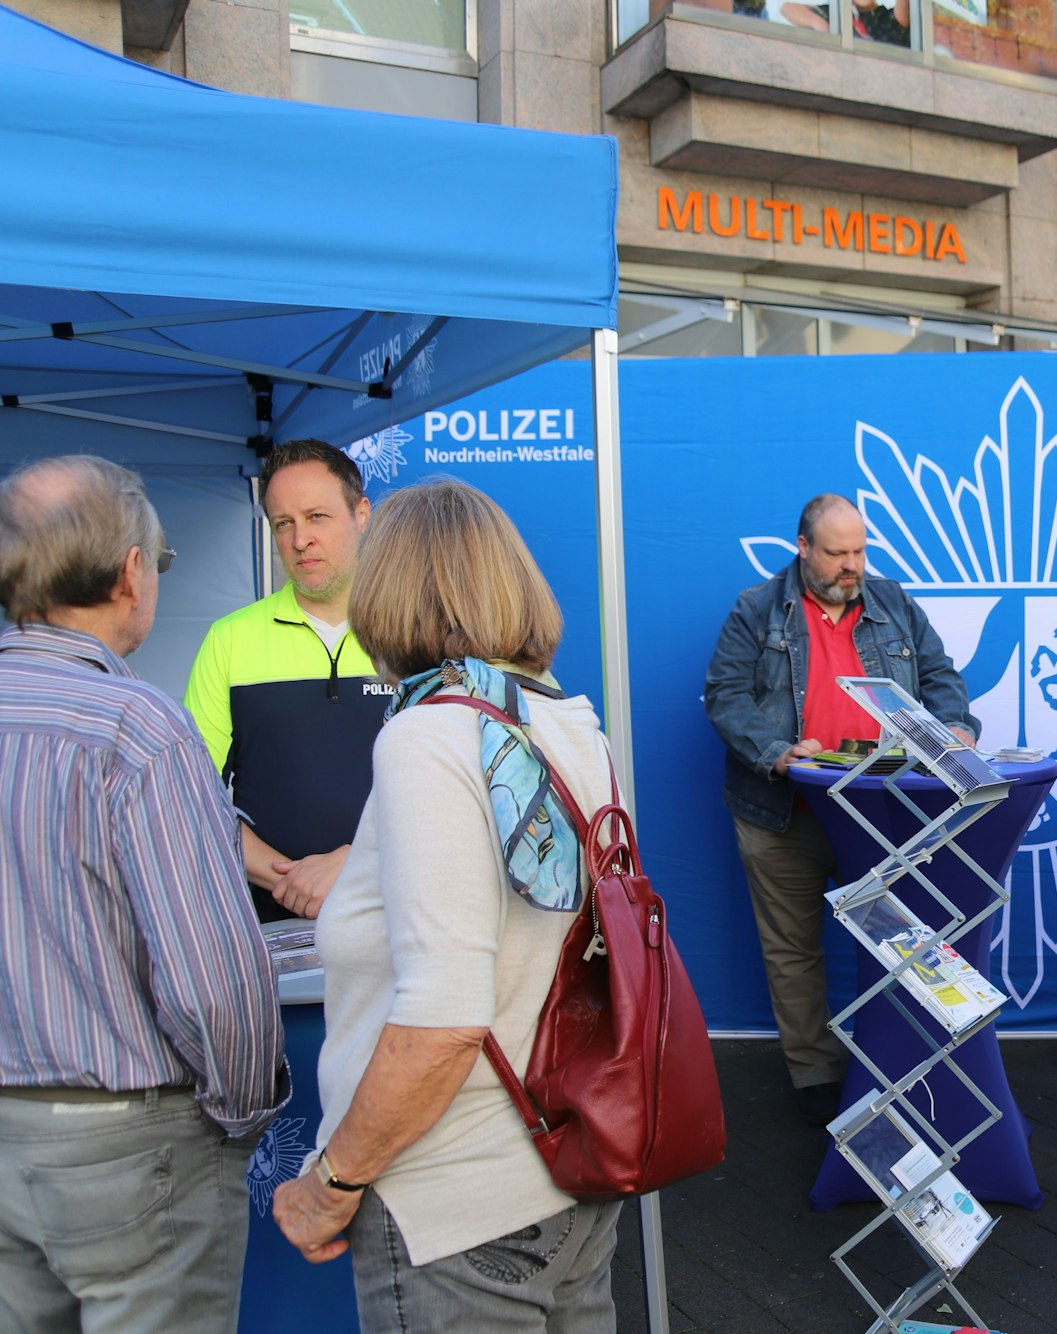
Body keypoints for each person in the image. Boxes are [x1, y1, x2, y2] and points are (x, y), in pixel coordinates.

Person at [272, 478, 621, 1330]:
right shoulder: (564, 719)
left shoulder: (431, 736)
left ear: (390, 590)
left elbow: (441, 1021)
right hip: (569, 1169)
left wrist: (330, 1185)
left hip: (459, 1205)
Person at [0, 455, 287, 1333]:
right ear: (130, 573)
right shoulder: (137, 730)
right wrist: (244, 1112)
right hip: (132, 1145)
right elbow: (216, 978)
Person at [704, 494, 978, 1124]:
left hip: (883, 813)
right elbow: (724, 696)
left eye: (859, 550)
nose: (852, 565)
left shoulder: (893, 602)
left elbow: (940, 676)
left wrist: (956, 725)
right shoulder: (755, 611)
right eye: (837, 553)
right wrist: (775, 751)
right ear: (803, 548)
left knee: (900, 944)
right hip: (783, 814)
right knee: (792, 952)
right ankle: (816, 1080)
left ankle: (906, 1065)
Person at [185, 439, 381, 922]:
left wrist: (357, 866)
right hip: (271, 929)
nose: (299, 540)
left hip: (398, 923)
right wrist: (288, 881)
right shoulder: (228, 639)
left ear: (361, 514)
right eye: (283, 523)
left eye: (317, 517)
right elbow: (188, 796)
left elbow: (456, 796)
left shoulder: (415, 634)